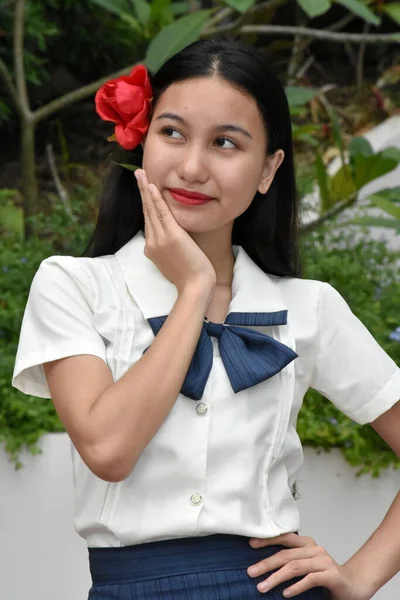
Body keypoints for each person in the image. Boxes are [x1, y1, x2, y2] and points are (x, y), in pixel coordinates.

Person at [12, 38, 400, 600]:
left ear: (269, 169)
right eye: (172, 132)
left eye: (225, 142)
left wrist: (361, 577)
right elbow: (108, 450)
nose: (191, 167)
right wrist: (194, 288)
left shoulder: (309, 306)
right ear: (140, 141)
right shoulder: (74, 285)